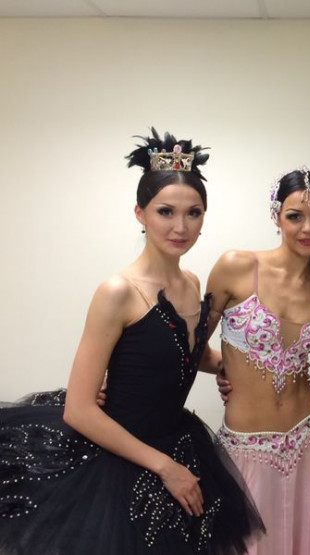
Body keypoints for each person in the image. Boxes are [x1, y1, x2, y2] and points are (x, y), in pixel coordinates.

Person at [0, 129, 264, 554]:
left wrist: (228, 365)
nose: (181, 227)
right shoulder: (117, 292)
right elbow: (79, 410)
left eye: (193, 213)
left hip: (177, 441)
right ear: (140, 213)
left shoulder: (191, 281)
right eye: (165, 212)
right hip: (117, 462)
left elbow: (180, 353)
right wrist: (165, 467)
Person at [207, 168, 310, 554]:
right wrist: (221, 366)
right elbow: (189, 346)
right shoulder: (237, 266)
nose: (308, 228)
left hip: (304, 441)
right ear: (276, 215)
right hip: (245, 446)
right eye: (295, 216)